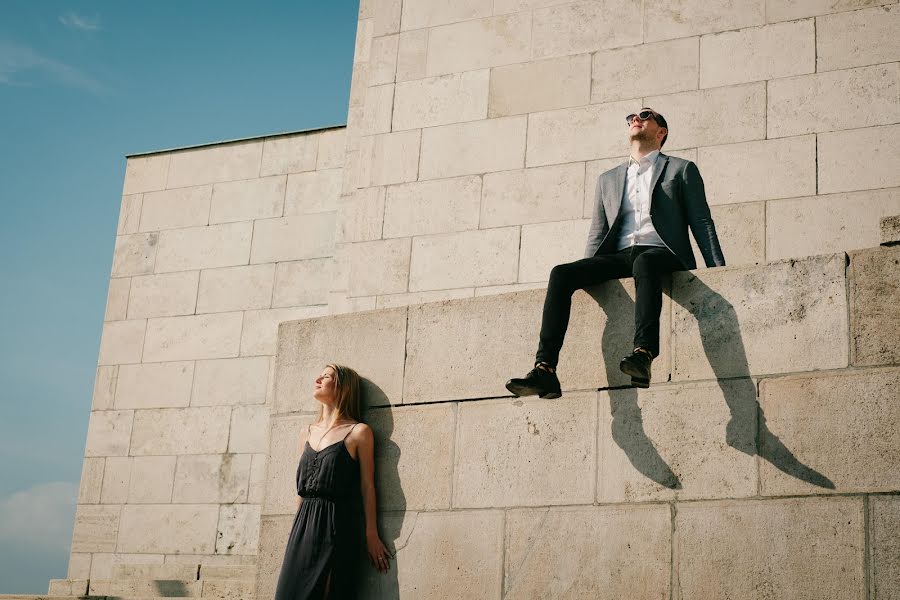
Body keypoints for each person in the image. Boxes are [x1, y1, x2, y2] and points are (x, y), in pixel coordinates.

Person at [506, 108, 725, 396]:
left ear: (661, 133)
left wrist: (719, 272)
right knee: (561, 273)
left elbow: (701, 220)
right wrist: (586, 270)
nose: (636, 119)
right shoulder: (607, 179)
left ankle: (643, 354)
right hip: (621, 255)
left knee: (645, 263)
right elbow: (598, 231)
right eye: (632, 117)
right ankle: (545, 369)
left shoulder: (681, 169)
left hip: (662, 252)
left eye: (646, 116)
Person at [274, 364, 391, 600]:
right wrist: (296, 532)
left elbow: (367, 486)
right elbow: (300, 491)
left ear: (342, 387)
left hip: (336, 526)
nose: (317, 379)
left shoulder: (359, 432)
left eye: (326, 376)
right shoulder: (305, 432)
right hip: (303, 527)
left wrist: (371, 534)